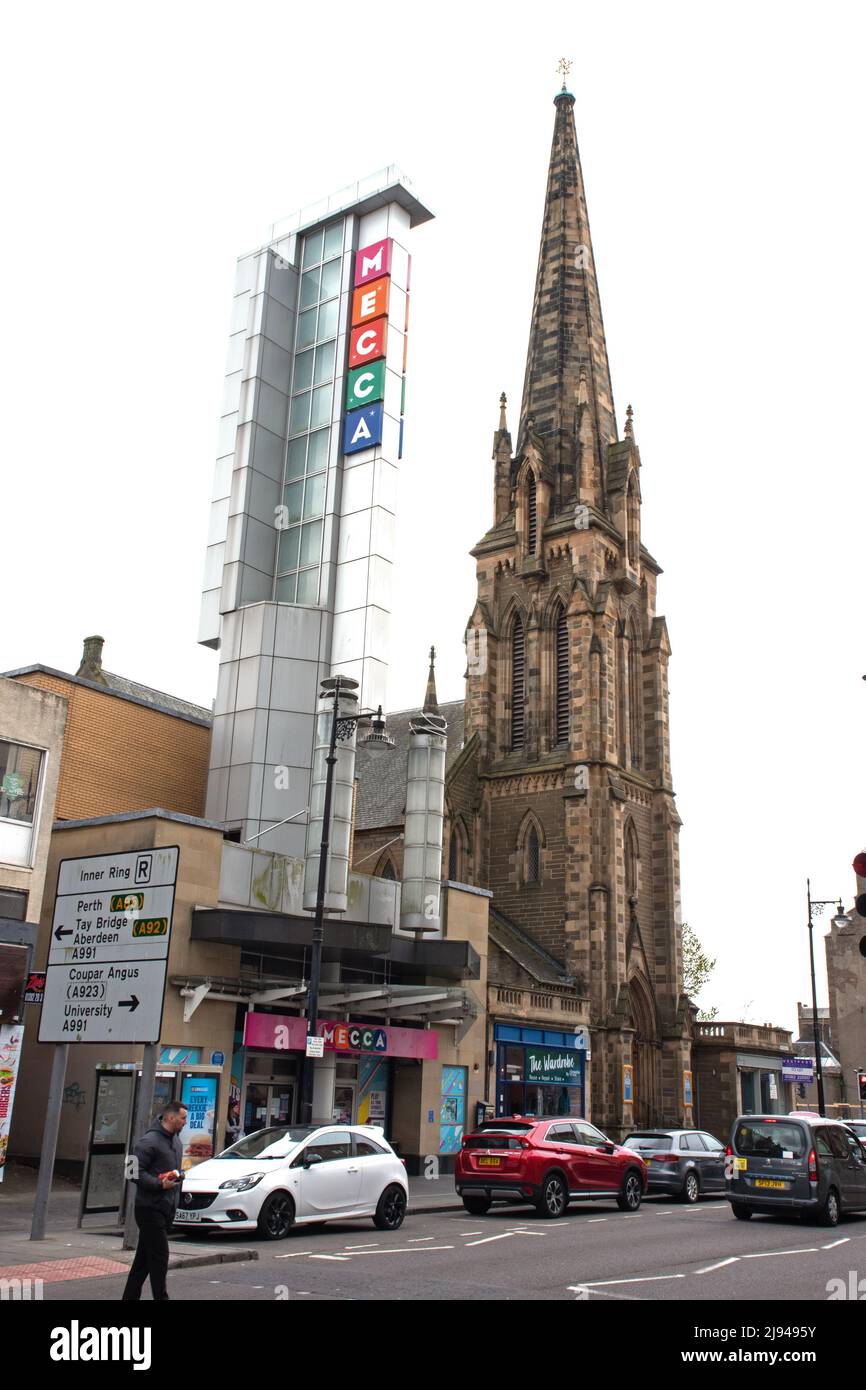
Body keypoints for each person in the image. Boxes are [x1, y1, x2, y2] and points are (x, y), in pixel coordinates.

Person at [122, 1099, 188, 1302]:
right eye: (183, 1118)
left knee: (143, 1262)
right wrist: (160, 1185)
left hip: (165, 1208)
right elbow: (132, 1173)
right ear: (170, 1117)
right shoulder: (147, 1142)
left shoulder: (176, 1141)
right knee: (160, 1258)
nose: (185, 1122)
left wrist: (178, 1177)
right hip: (149, 1209)